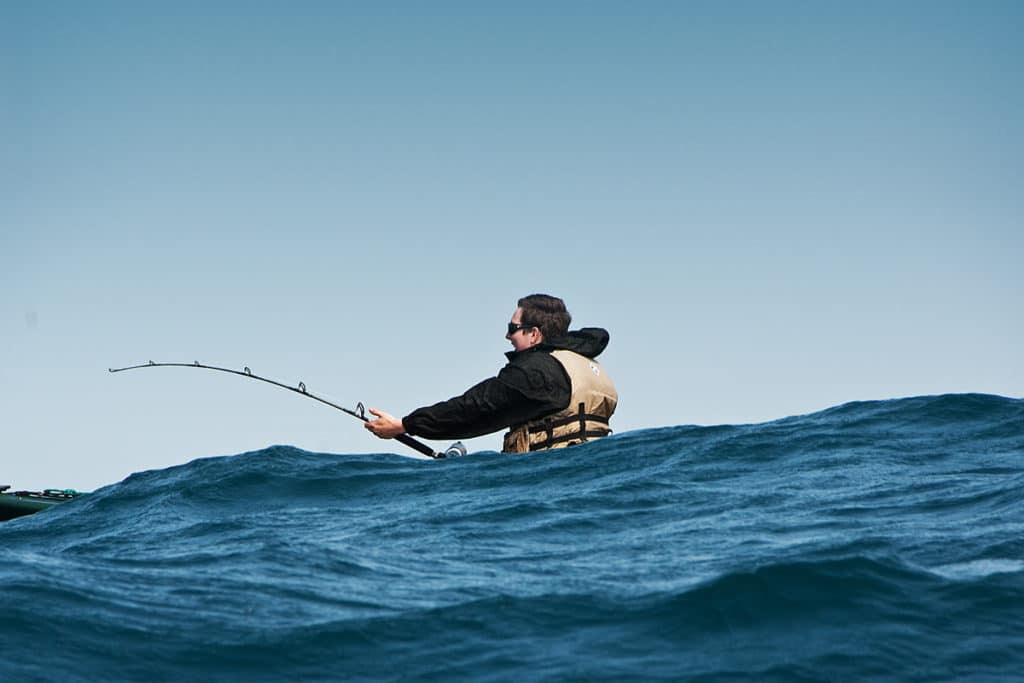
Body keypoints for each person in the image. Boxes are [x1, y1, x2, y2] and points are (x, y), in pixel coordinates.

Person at [365, 294, 618, 453]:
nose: (507, 335)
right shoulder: (583, 363)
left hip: (551, 480)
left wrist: (404, 425)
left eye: (513, 328)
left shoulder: (535, 370)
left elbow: (472, 408)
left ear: (534, 333)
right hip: (594, 471)